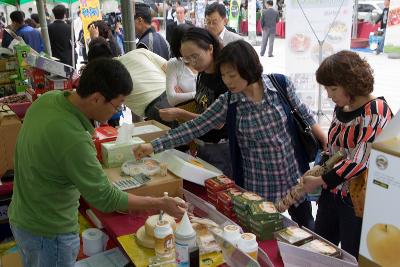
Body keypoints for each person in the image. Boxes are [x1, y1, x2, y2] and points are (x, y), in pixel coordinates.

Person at [8, 58, 186, 267]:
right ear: (96, 98)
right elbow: (106, 199)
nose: (118, 112)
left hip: (23, 217)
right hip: (50, 232)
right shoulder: (73, 139)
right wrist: (159, 203)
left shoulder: (48, 100)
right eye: (117, 105)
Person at [135, 40, 326, 228]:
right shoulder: (228, 102)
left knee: (307, 227)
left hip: (294, 176)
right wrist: (153, 145)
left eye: (232, 75)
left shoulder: (280, 84)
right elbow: (194, 127)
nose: (227, 81)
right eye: (224, 75)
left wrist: (326, 142)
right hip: (258, 185)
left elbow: (305, 115)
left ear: (248, 68)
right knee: (264, 234)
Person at [301, 50, 393, 258]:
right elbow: (333, 148)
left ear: (350, 84)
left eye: (333, 88)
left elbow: (360, 160)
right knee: (322, 246)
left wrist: (319, 181)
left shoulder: (376, 110)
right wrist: (318, 171)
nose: (329, 95)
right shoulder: (341, 107)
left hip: (355, 200)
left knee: (351, 253)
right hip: (331, 193)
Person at [152, 27, 233, 178]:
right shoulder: (202, 74)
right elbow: (201, 108)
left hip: (220, 147)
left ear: (210, 48)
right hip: (203, 143)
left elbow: (216, 123)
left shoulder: (224, 78)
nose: (193, 63)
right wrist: (195, 140)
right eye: (187, 59)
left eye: (195, 56)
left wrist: (180, 113)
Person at [87, 38, 173, 126]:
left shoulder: (109, 79)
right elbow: (169, 67)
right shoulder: (139, 52)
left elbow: (105, 108)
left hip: (158, 108)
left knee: (176, 137)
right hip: (174, 94)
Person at [166, 24, 197, 106]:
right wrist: (198, 95)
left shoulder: (204, 61)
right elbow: (172, 99)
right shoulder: (174, 64)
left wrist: (183, 96)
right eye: (182, 45)